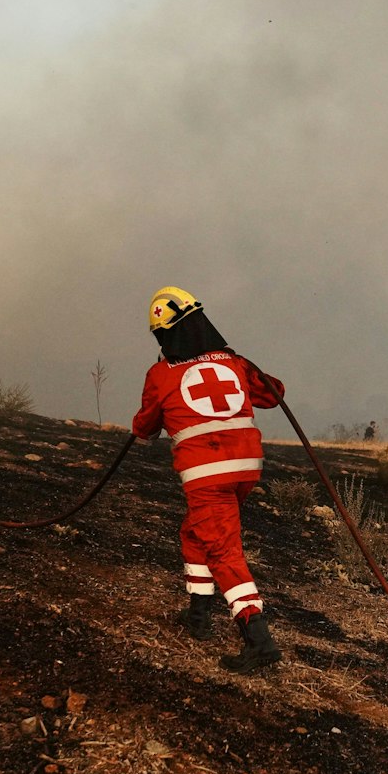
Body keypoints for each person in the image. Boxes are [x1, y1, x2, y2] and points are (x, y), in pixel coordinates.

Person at [131, 286, 286, 673]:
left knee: (224, 550)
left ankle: (258, 639)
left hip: (206, 473)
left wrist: (142, 431)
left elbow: (147, 424)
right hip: (246, 468)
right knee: (195, 533)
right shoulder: (234, 364)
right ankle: (198, 616)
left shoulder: (160, 373)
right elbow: (274, 394)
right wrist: (241, 364)